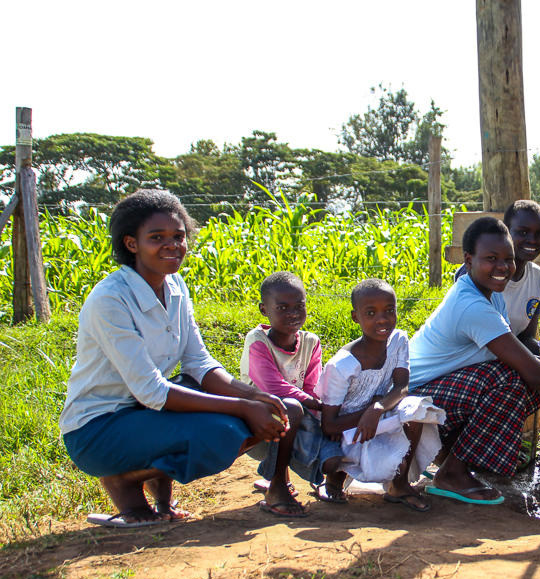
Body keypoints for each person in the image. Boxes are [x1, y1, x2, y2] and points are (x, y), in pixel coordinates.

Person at [59, 190, 292, 528]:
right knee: (224, 432)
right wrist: (241, 407)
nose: (172, 245)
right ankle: (122, 479)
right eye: (157, 238)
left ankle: (161, 498)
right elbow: (152, 390)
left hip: (146, 413)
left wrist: (253, 395)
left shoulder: (176, 287)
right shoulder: (110, 299)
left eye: (178, 236)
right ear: (131, 244)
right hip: (99, 429)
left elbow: (199, 363)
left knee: (264, 413)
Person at [410, 216, 540, 505]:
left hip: (441, 390)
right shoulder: (472, 305)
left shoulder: (491, 295)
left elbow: (522, 360)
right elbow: (532, 372)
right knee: (509, 379)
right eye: (491, 259)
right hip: (415, 401)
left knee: (515, 378)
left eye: (508, 259)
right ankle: (453, 472)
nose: (503, 267)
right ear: (468, 260)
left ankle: (453, 460)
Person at [317, 278, 440, 511]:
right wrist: (367, 413)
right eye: (371, 313)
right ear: (356, 317)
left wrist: (377, 409)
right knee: (336, 456)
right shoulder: (342, 365)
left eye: (389, 311)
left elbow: (401, 387)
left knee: (416, 409)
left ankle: (399, 484)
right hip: (348, 432)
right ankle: (335, 478)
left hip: (378, 418)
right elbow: (329, 425)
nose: (382, 319)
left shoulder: (398, 340)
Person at [239, 271, 329, 517]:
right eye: (282, 307)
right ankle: (277, 486)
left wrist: (320, 412)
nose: (293, 314)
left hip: (292, 418)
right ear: (264, 309)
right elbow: (273, 387)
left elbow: (312, 387)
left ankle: (292, 477)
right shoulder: (257, 341)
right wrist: (315, 404)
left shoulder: (311, 342)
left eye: (299, 306)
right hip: (254, 427)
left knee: (302, 412)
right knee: (290, 406)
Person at [455, 200, 540, 356]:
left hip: (507, 360)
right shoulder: (477, 272)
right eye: (523, 232)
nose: (532, 240)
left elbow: (524, 337)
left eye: (539, 234)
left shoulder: (538, 278)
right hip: (468, 359)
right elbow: (473, 339)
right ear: (506, 232)